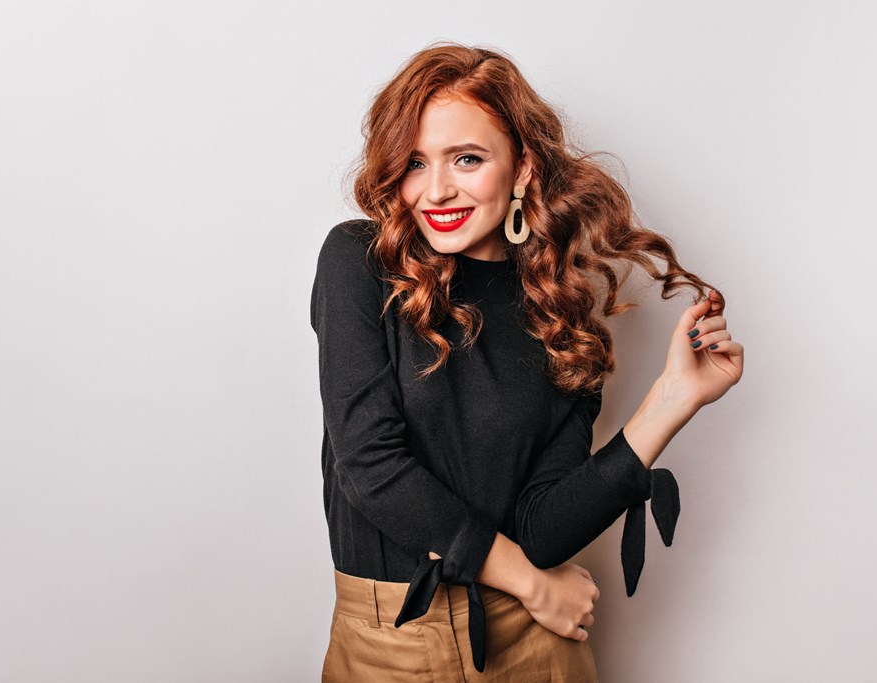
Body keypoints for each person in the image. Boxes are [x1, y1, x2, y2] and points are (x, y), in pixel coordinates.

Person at [310, 43, 744, 682]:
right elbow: (371, 467)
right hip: (391, 642)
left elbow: (540, 528)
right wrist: (536, 585)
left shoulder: (559, 316)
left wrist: (673, 399)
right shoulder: (360, 262)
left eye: (467, 159)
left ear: (522, 168)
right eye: (414, 162)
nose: (437, 190)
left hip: (537, 646)